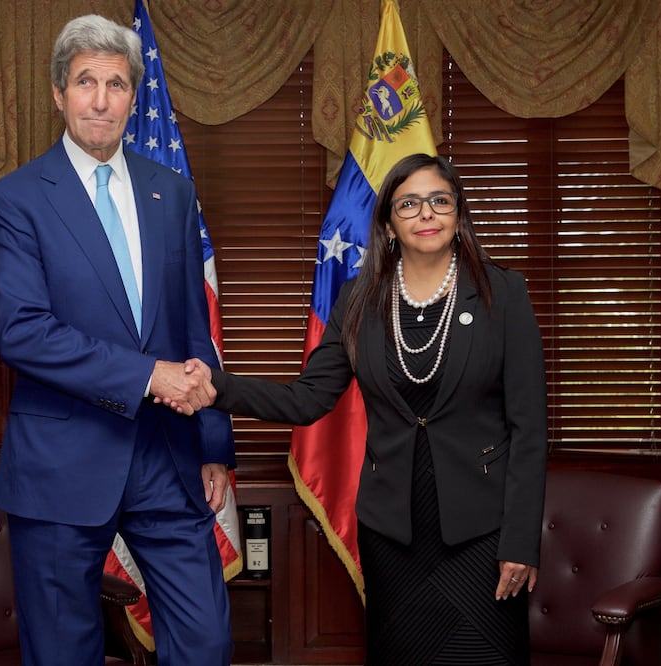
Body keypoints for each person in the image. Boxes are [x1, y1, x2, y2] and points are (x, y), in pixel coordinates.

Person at [181, 153, 547, 664]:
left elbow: (528, 430)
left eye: (440, 201)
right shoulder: (358, 300)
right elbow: (307, 398)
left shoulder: (502, 293)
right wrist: (215, 388)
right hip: (393, 532)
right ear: (389, 224)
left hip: (482, 532)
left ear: (457, 213)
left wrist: (521, 542)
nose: (426, 214)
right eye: (410, 204)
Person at [0, 14, 234, 666]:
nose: (100, 100)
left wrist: (212, 445)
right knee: (64, 653)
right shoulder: (15, 200)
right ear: (58, 94)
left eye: (116, 84)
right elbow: (22, 332)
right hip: (61, 463)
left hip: (166, 459)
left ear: (133, 96)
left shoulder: (170, 193)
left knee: (205, 642)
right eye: (85, 82)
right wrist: (147, 375)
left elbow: (190, 329)